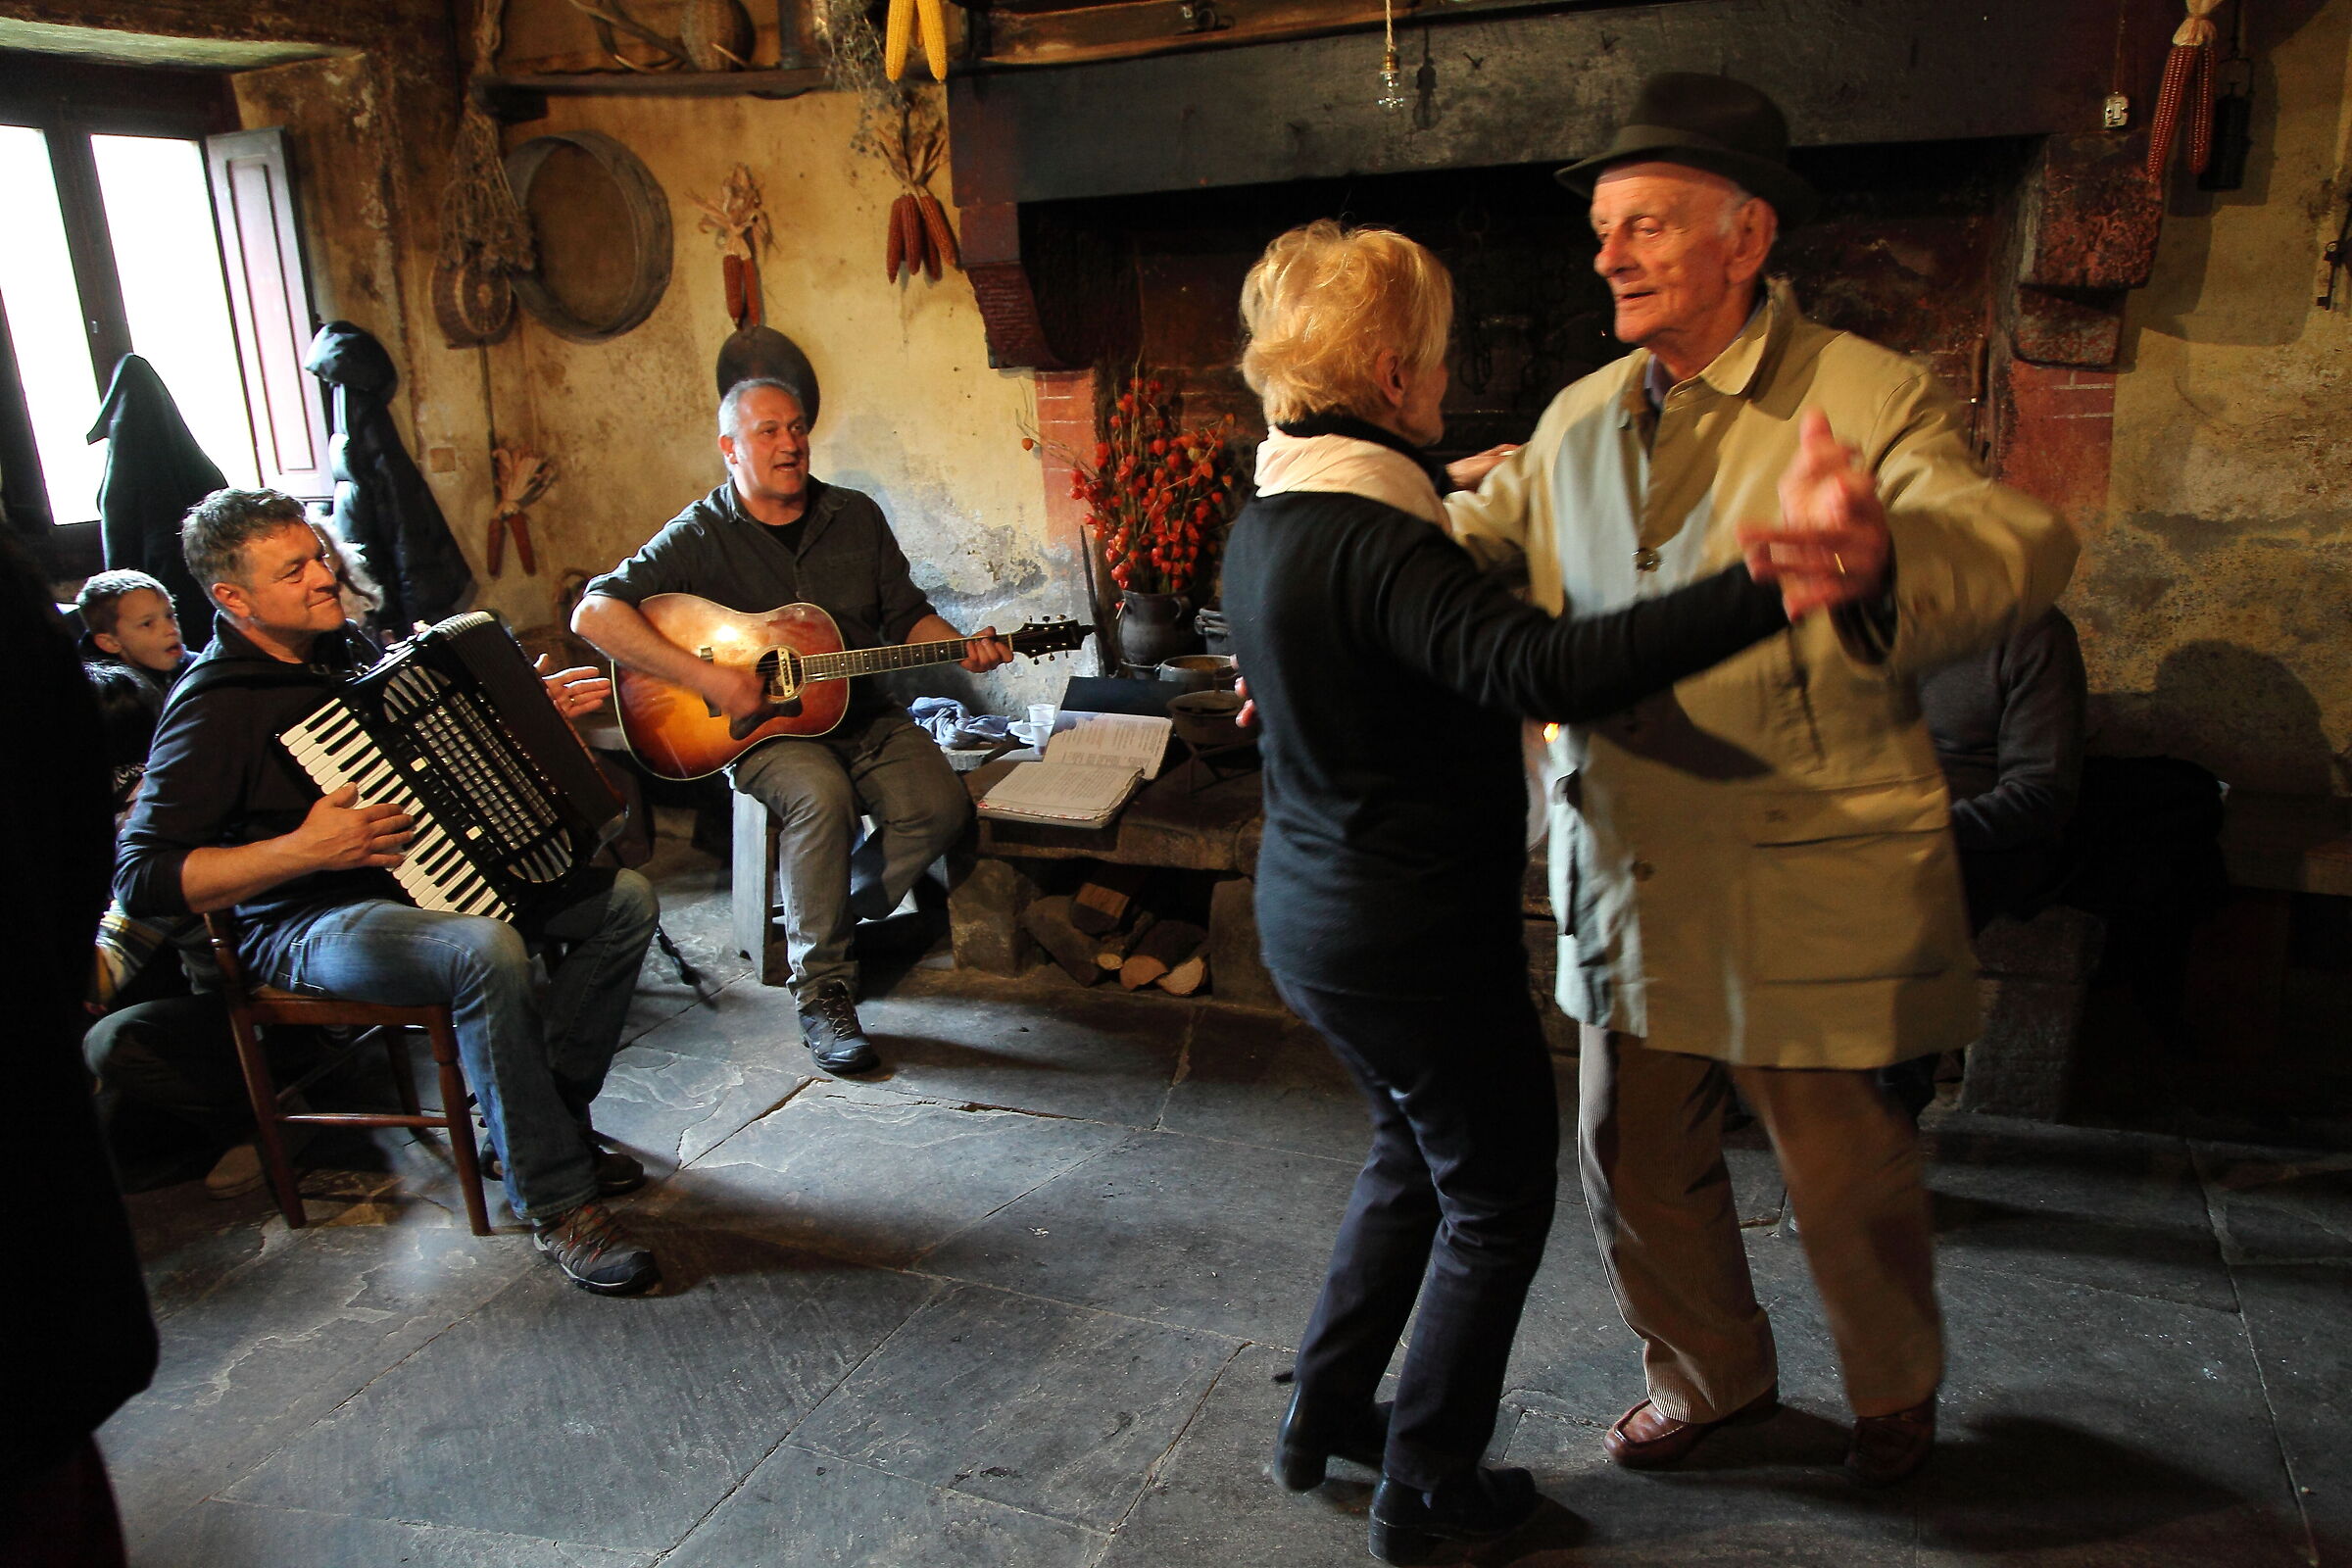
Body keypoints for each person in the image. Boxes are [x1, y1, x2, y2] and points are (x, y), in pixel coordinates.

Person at [1443, 73, 2079, 1487]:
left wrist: (1882, 558)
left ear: (1747, 237)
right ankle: (1712, 1381)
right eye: (1604, 228)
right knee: (1627, 1154)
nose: (1609, 254)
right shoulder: (1579, 415)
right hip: (1628, 858)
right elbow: (1462, 535)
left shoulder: (1862, 395)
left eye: (1647, 224)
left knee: (1842, 1171)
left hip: (1804, 860)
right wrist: (1329, 564)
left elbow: (2012, 544)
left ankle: (1894, 1395)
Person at [1223, 220, 1889, 1564]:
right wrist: (1771, 576)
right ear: (1392, 363)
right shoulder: (1382, 543)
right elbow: (1552, 672)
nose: (1448, 371)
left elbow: (1396, 566)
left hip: (1313, 913)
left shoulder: (1282, 509)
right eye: (1438, 351)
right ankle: (1429, 1488)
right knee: (1498, 1189)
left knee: (1415, 1153)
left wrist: (1467, 475)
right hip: (1407, 929)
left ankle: (1330, 1411)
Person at [115, 489, 663, 1296]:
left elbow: (438, 754)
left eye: (318, 556)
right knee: (485, 952)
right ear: (232, 599)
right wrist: (300, 848)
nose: (322, 576)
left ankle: (536, 1125)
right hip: (305, 921)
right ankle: (556, 1200)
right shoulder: (213, 708)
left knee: (625, 903)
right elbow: (145, 873)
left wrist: (526, 717)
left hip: (426, 877)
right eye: (293, 570)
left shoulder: (343, 651)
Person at [572, 379, 1009, 1073]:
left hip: (861, 712)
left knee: (941, 805)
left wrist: (960, 642)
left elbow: (905, 618)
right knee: (820, 798)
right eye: (769, 431)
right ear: (729, 450)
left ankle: (830, 908)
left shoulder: (855, 517)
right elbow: (593, 614)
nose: (789, 443)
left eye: (797, 427)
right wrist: (711, 678)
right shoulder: (701, 533)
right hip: (760, 734)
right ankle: (823, 992)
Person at [77, 567, 193, 701]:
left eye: (169, 615)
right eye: (147, 624)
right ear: (110, 643)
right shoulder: (115, 701)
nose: (171, 630)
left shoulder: (197, 666)